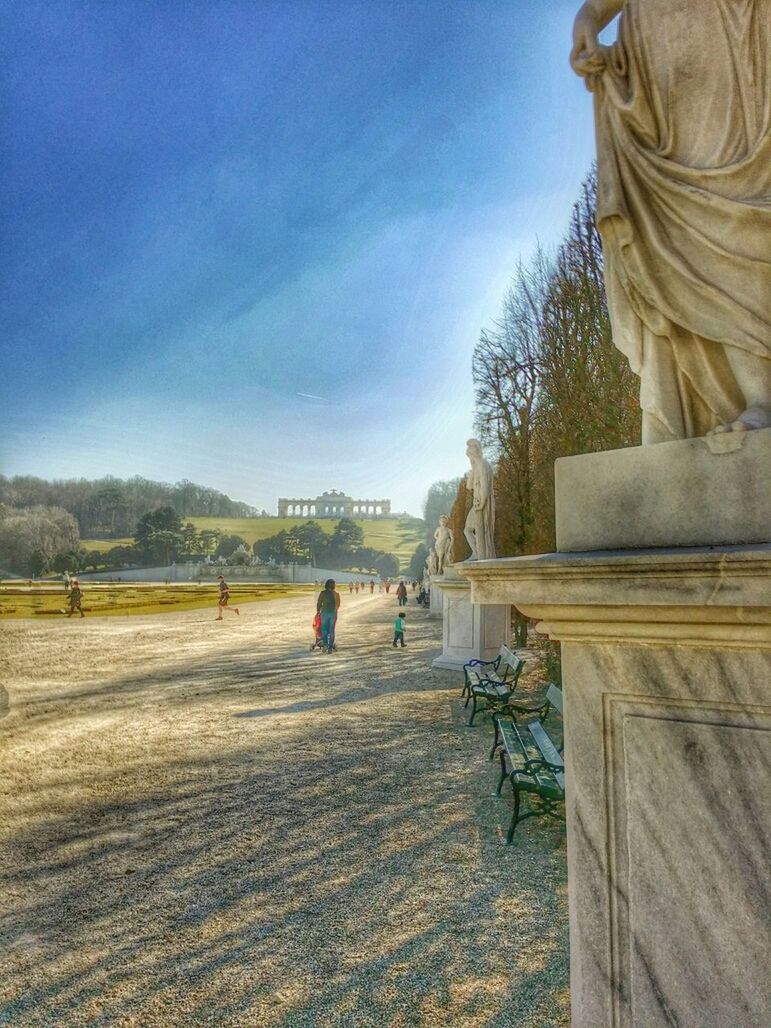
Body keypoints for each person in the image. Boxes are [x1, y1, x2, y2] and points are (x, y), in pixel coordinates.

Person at [570, 0, 771, 441]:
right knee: (680, 239)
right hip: (654, 70)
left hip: (729, 40)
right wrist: (587, 18)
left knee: (733, 215)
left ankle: (762, 396)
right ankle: (749, 396)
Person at [464, 438, 496, 560]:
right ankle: (477, 552)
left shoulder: (482, 465)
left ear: (474, 453)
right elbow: (469, 486)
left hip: (482, 502)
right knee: (469, 530)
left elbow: (485, 487)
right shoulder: (476, 467)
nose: (469, 458)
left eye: (470, 455)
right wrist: (472, 471)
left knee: (478, 529)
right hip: (478, 503)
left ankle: (480, 553)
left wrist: (482, 503)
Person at [316, 578, 340, 652]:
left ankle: (325, 645)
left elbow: (319, 603)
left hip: (324, 613)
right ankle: (330, 648)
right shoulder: (336, 594)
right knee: (331, 630)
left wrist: (318, 611)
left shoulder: (323, 593)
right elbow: (338, 605)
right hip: (333, 614)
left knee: (324, 630)